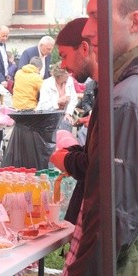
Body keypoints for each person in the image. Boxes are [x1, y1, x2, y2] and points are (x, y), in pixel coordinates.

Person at [57, 0, 138, 276]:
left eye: (95, 15)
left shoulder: (123, 100)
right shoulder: (120, 93)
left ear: (134, 22)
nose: (88, 29)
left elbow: (111, 214)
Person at [50, 17, 98, 227]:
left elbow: (98, 167)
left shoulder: (114, 94)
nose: (62, 64)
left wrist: (67, 160)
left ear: (85, 49)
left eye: (64, 56)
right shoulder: (103, 90)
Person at [35, 63, 78, 131]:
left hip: (63, 114)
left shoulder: (69, 80)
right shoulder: (46, 84)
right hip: (47, 115)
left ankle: (64, 140)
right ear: (58, 76)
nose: (69, 76)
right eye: (66, 75)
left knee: (67, 122)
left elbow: (73, 99)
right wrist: (58, 101)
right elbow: (43, 106)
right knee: (56, 127)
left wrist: (68, 113)